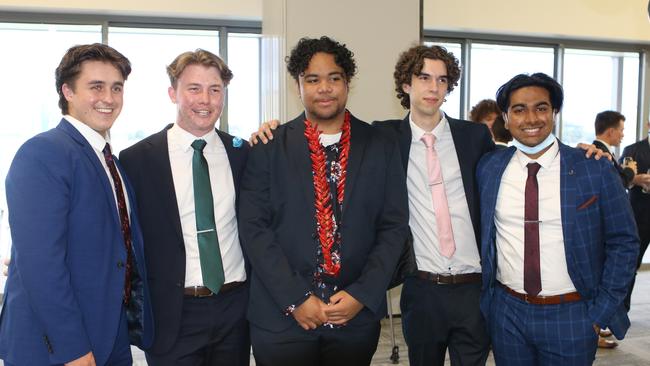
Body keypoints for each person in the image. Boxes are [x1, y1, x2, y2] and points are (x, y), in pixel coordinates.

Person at [238, 36, 409, 366]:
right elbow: (254, 228)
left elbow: (393, 226)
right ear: (298, 85)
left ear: (347, 82)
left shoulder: (381, 146)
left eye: (334, 78)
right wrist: (296, 299)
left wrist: (363, 293)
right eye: (312, 79)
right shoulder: (268, 146)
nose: (324, 88)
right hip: (281, 318)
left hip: (353, 317)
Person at [0, 43, 153, 365]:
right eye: (95, 87)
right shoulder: (43, 153)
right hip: (59, 347)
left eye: (116, 88)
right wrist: (72, 348)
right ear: (67, 91)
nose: (108, 98)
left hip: (109, 334)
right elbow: (41, 265)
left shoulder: (110, 161)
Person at [478, 72, 639, 365]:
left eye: (541, 108)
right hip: (507, 314)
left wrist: (599, 312)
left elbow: (624, 242)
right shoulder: (489, 168)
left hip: (572, 315)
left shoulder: (593, 168)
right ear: (505, 117)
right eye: (518, 109)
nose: (531, 118)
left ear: (554, 112)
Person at [119, 49, 250, 365]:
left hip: (235, 310)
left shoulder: (243, 153)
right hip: (172, 313)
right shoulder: (137, 160)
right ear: (172, 93)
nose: (205, 99)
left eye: (215, 89)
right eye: (194, 88)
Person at [374, 44, 494, 366]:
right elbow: (327, 131)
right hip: (422, 288)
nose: (433, 87)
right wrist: (272, 132)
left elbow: (512, 166)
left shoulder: (475, 137)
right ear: (406, 84)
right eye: (424, 77)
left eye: (442, 80)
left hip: (475, 287)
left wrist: (576, 153)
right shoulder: (384, 138)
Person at [620, 120, 650, 313]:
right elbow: (620, 180)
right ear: (648, 124)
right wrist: (635, 179)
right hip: (639, 215)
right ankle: (621, 313)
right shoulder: (633, 150)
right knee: (630, 265)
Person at [593, 110, 635, 187]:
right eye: (621, 130)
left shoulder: (599, 150)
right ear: (611, 131)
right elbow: (616, 184)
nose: (623, 135)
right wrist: (630, 170)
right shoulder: (601, 153)